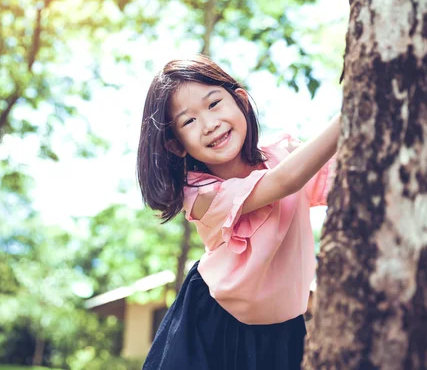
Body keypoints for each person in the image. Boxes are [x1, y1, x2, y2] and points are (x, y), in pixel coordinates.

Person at [137, 55, 339, 370]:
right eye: (189, 121)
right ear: (177, 145)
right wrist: (350, 112)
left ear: (240, 100)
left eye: (214, 104)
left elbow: (343, 179)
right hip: (215, 324)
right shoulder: (200, 194)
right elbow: (284, 181)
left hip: (285, 329)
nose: (209, 124)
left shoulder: (283, 153)